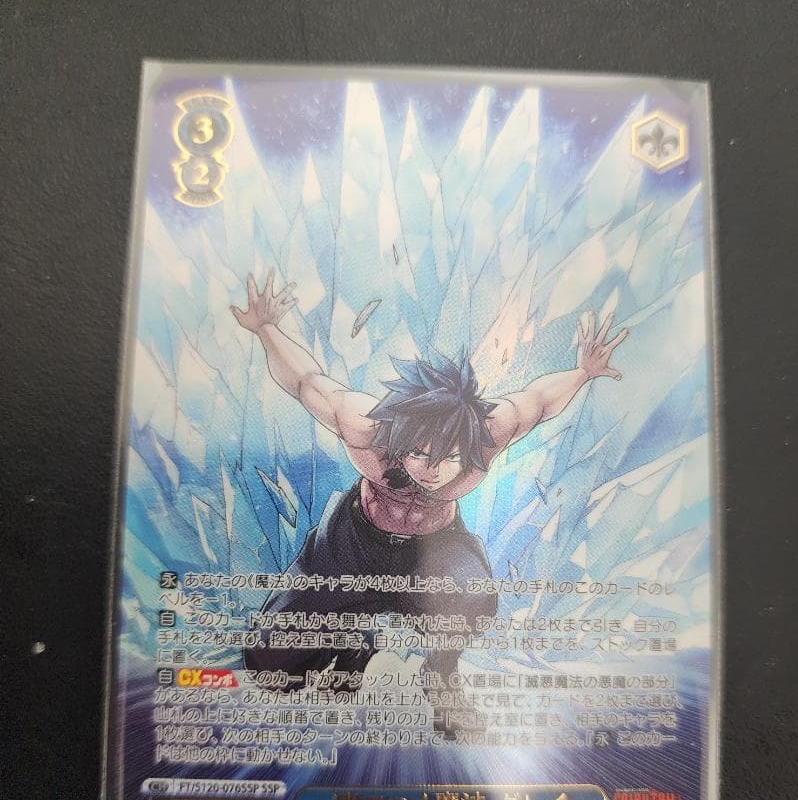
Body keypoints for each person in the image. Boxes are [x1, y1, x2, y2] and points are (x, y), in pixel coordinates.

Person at [231, 272, 628, 736]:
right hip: (353, 544)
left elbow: (538, 401)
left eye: (449, 459)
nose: (432, 471)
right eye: (420, 454)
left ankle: (441, 676)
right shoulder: (366, 430)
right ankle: (351, 647)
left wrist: (582, 372)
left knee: (473, 597)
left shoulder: (489, 433)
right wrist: (266, 329)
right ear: (400, 440)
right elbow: (306, 381)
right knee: (269, 664)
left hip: (434, 549)